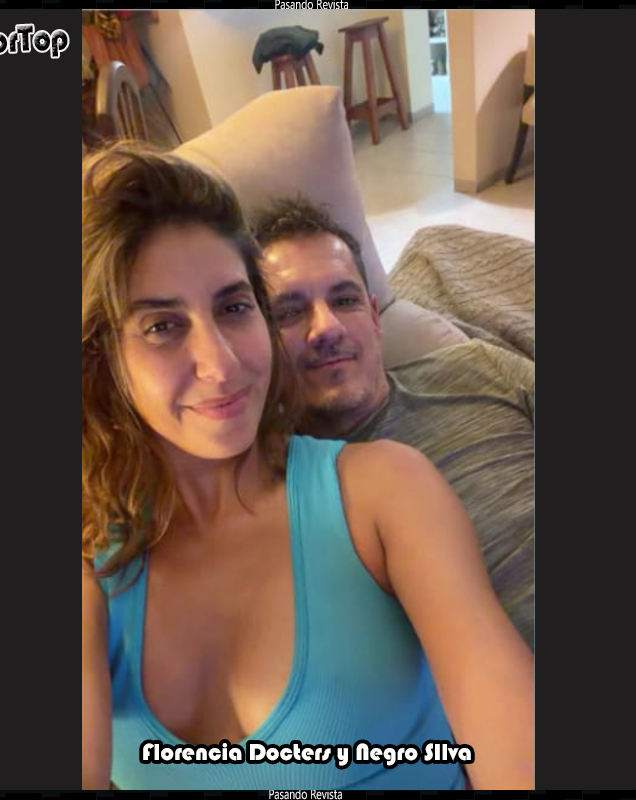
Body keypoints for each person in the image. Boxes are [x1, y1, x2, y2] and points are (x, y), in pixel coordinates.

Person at [82, 143, 533, 791]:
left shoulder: (381, 488)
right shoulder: (93, 558)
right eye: (161, 326)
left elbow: (505, 732)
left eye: (234, 307)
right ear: (102, 358)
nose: (221, 363)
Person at [252, 197, 534, 649]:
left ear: (374, 317)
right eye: (289, 312)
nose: (327, 327)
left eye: (344, 300)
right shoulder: (276, 492)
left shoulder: (478, 365)